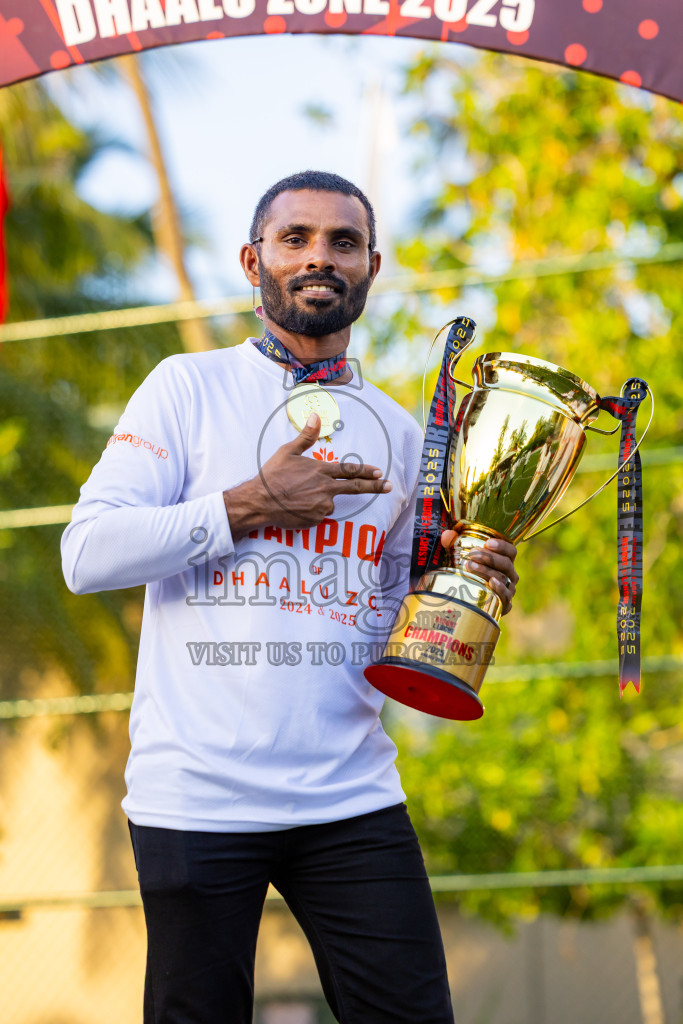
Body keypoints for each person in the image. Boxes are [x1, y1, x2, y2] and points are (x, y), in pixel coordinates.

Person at [61, 170, 519, 1024]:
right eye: (296, 238)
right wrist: (250, 504)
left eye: (343, 242)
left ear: (371, 267)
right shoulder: (184, 388)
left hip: (350, 795)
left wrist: (448, 587)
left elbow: (374, 609)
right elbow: (87, 554)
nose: (320, 257)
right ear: (252, 260)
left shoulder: (403, 432)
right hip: (197, 794)